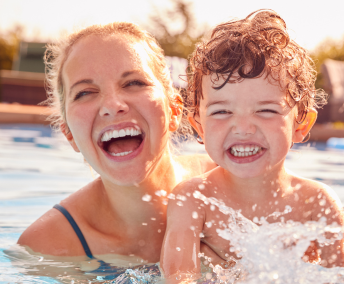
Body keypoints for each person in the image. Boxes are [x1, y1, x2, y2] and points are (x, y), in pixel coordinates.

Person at [160, 10, 344, 284]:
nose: (243, 128)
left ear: (301, 125)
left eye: (265, 110)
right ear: (199, 127)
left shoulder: (316, 203)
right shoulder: (193, 200)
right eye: (222, 111)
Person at [18, 23, 215, 266]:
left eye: (134, 83)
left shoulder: (233, 183)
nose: (112, 105)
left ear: (174, 110)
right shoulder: (48, 247)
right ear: (69, 134)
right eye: (85, 93)